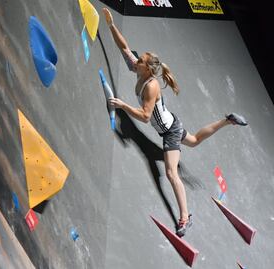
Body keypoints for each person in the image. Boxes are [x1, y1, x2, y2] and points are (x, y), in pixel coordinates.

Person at [102, 8, 248, 237]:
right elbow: (123, 46)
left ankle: (184, 218)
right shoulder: (138, 70)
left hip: (169, 131)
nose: (135, 60)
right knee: (195, 140)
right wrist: (110, 25)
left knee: (170, 174)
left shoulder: (150, 86)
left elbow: (145, 116)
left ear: (147, 68)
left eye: (139, 60)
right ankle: (227, 120)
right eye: (138, 59)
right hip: (172, 124)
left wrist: (122, 106)